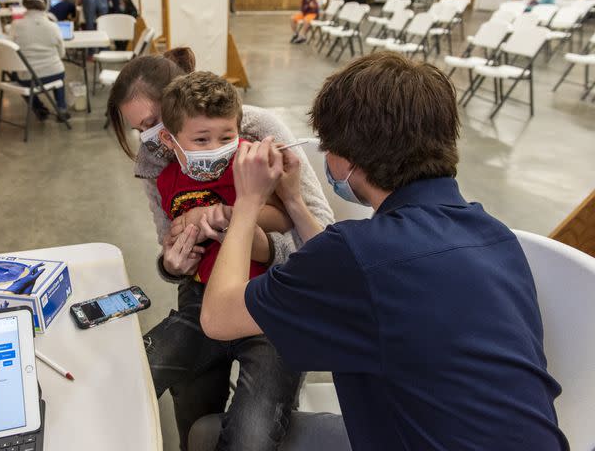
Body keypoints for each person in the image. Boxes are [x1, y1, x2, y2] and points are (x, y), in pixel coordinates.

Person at [200, 52, 568, 450]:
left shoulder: (356, 256)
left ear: (347, 162)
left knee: (206, 435)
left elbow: (219, 317)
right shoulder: (494, 235)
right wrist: (292, 202)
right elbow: (357, 266)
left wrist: (248, 201)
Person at [106, 48, 333, 450]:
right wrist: (173, 263)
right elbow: (169, 241)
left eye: (154, 123)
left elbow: (309, 229)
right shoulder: (159, 162)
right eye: (142, 130)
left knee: (253, 430)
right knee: (159, 391)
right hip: (202, 295)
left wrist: (231, 216)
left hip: (268, 295)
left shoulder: (254, 140)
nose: (151, 139)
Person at [10, 0, 70, 122]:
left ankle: (39, 108)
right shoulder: (53, 26)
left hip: (28, 78)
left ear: (24, 2)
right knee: (58, 75)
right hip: (55, 73)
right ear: (45, 4)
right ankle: (61, 108)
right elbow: (61, 54)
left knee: (14, 76)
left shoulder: (15, 25)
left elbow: (11, 52)